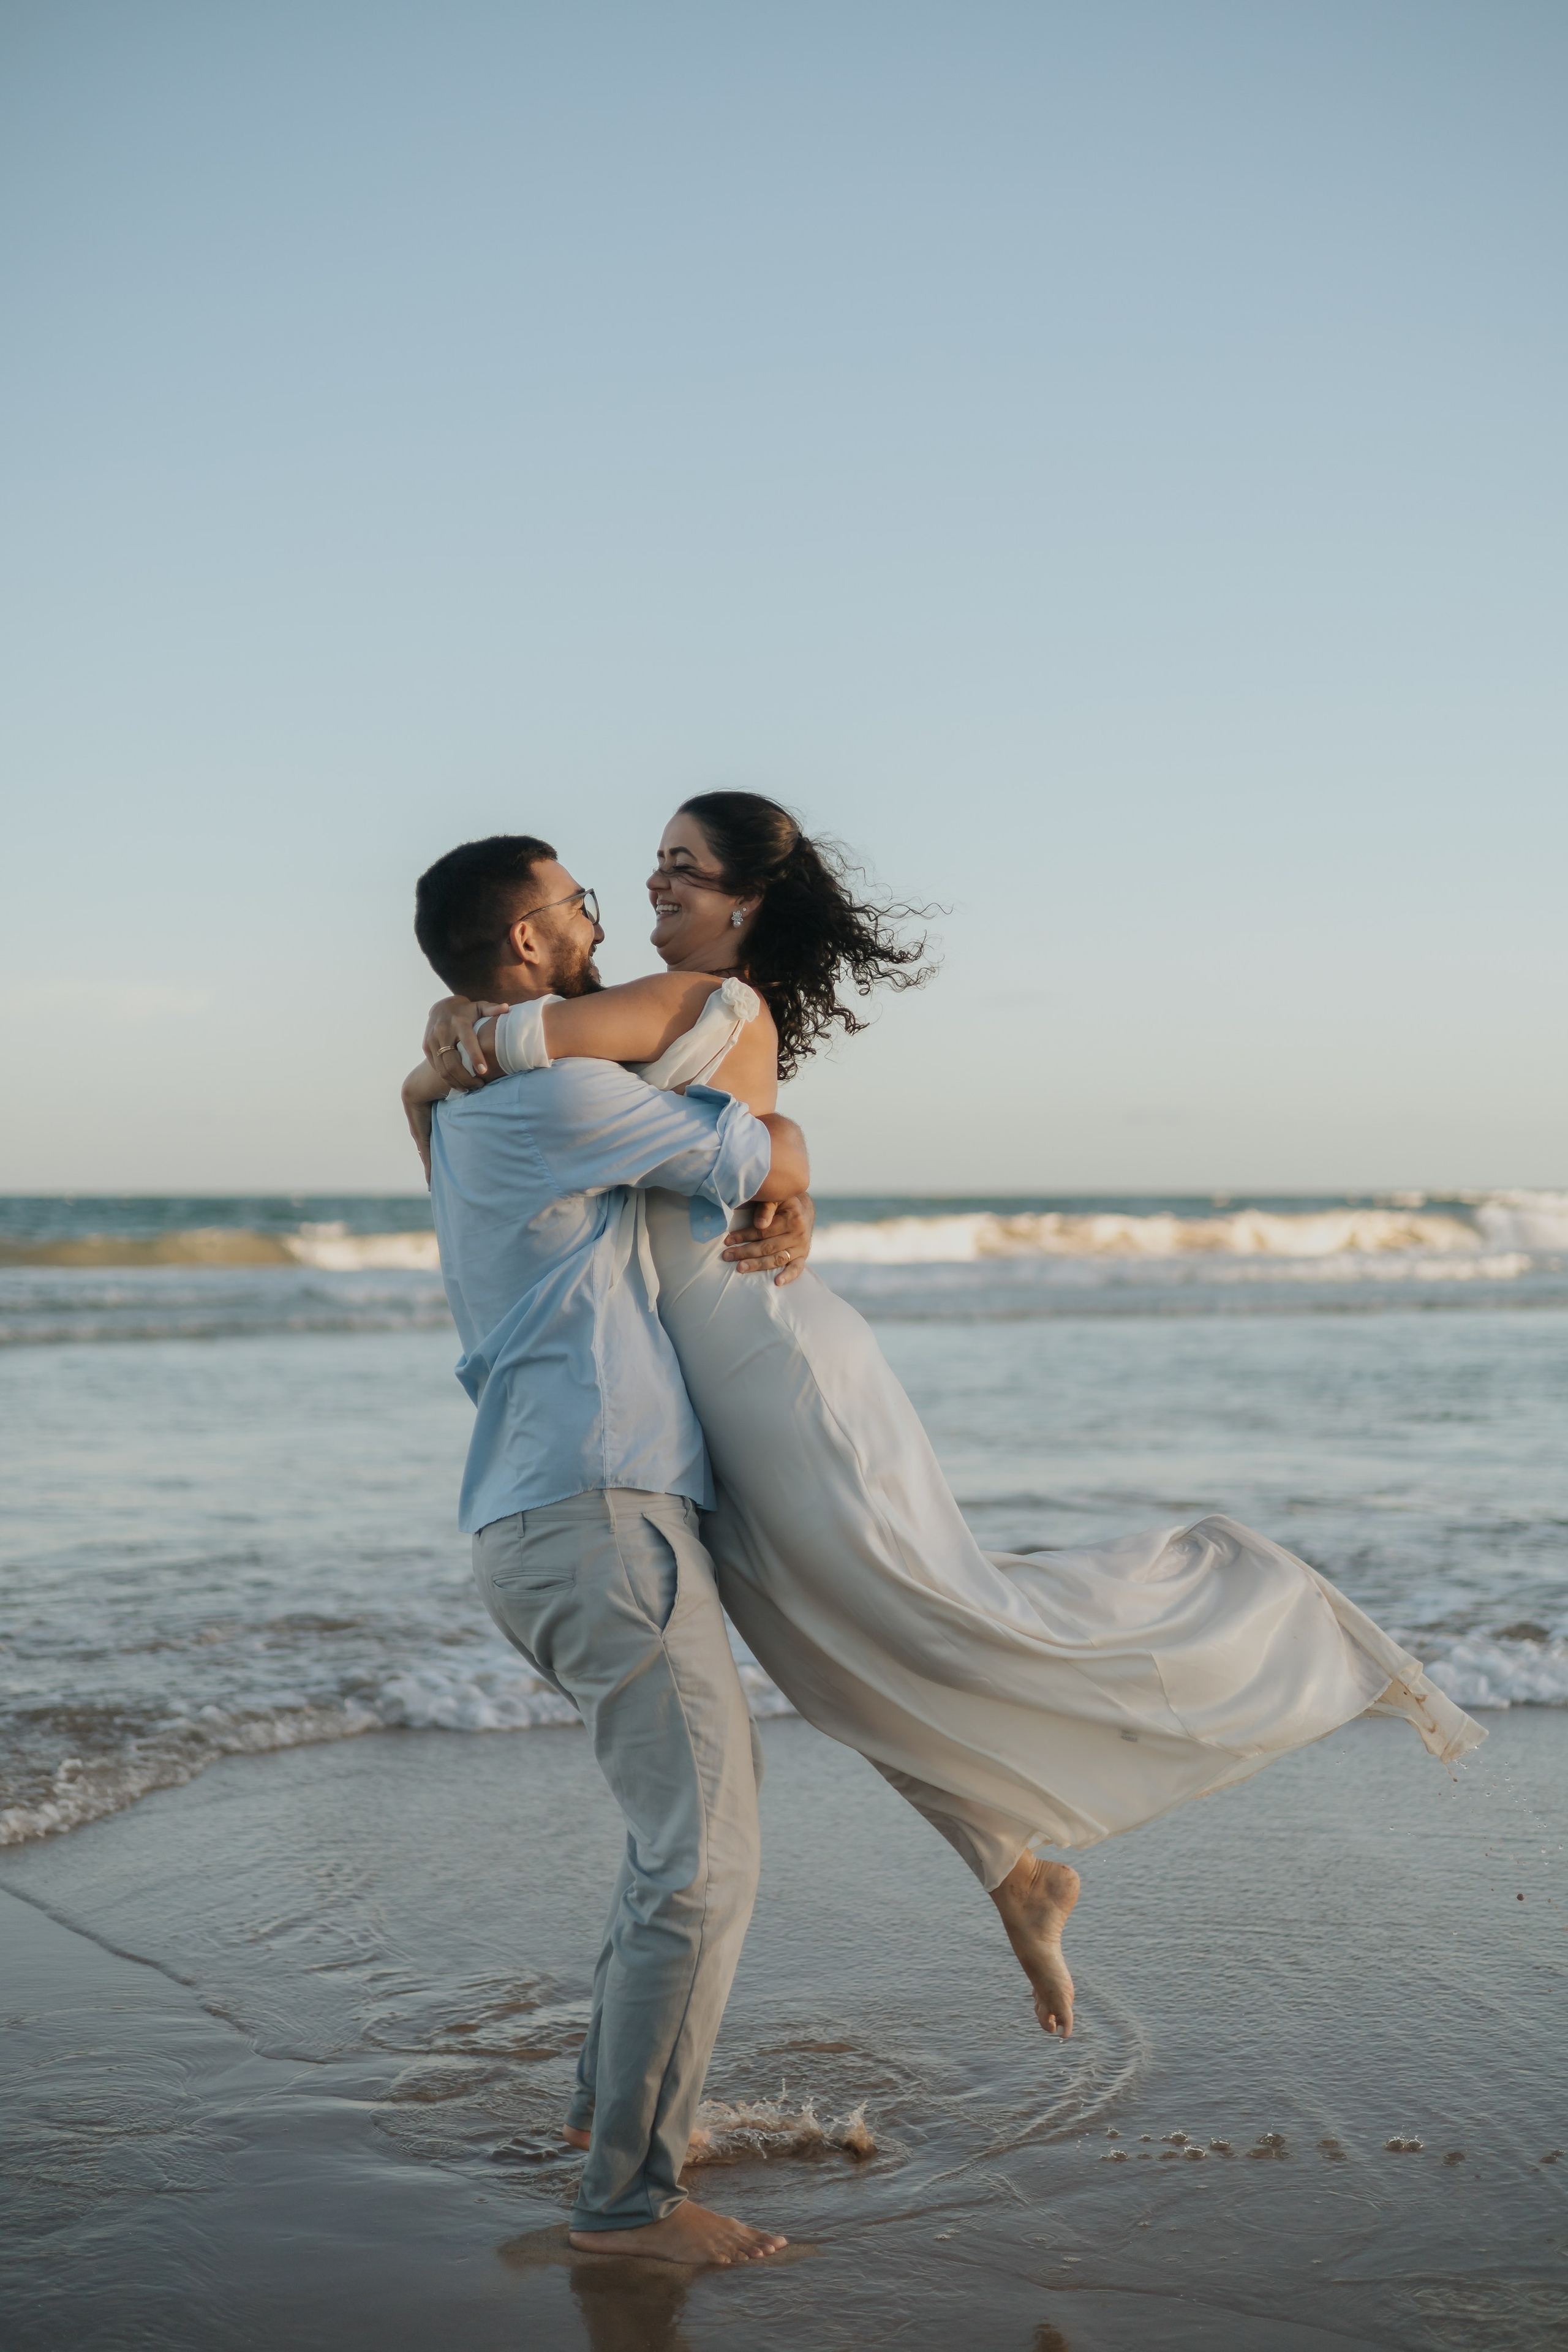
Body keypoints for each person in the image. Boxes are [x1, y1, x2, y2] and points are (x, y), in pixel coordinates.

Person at [410, 793, 1483, 2057]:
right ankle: (1011, 1868)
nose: (645, 890)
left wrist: (454, 1037)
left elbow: (512, 1047)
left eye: (679, 871)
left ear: (744, 904)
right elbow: (629, 1106)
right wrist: (774, 1157)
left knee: (932, 1605)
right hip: (708, 1379)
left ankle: (1260, 1600)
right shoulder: (656, 1011)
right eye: (639, 871)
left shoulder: (706, 1004)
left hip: (772, 1363)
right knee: (834, 1639)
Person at [410, 831, 810, 2267]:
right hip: (599, 1515)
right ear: (526, 947)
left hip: (543, 1520)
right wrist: (798, 1167)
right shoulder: (562, 1096)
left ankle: (605, 2124)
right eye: (578, 903)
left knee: (677, 1844)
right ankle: (628, 2210)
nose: (599, 922)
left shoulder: (479, 1104)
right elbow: (756, 1151)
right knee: (702, 1861)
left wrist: (433, 1055)